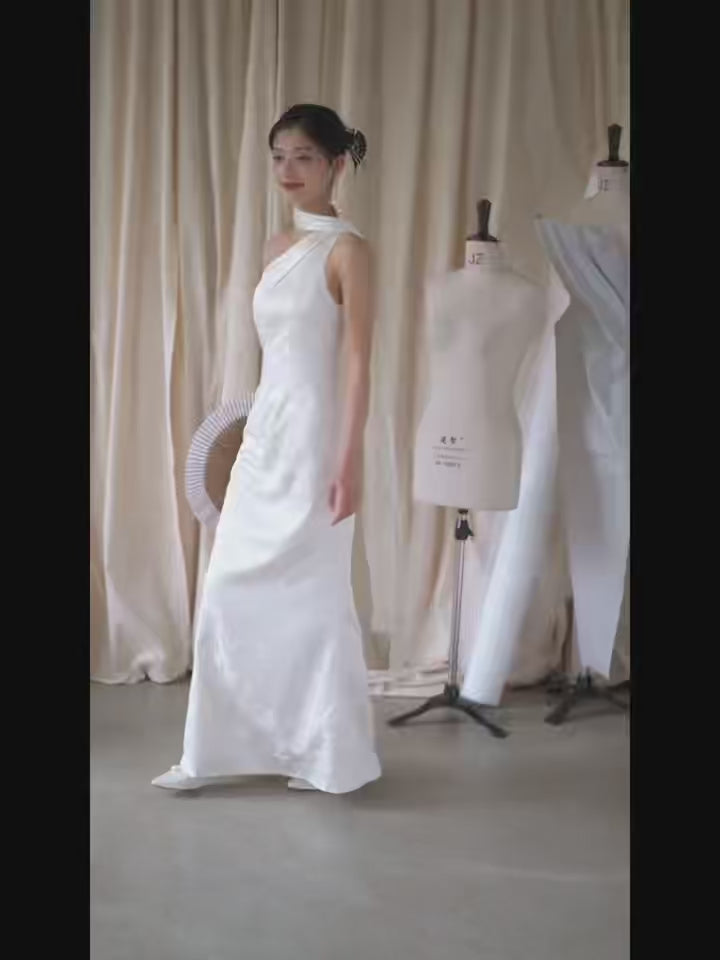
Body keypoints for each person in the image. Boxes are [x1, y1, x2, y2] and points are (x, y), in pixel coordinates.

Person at [153, 104, 382, 794]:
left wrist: (349, 460)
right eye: (279, 156)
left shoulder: (349, 252)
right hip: (267, 434)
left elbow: (358, 364)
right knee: (228, 587)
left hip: (316, 439)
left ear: (336, 164)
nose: (288, 169)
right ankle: (209, 754)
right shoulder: (275, 248)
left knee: (313, 597)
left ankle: (323, 755)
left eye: (304, 156)